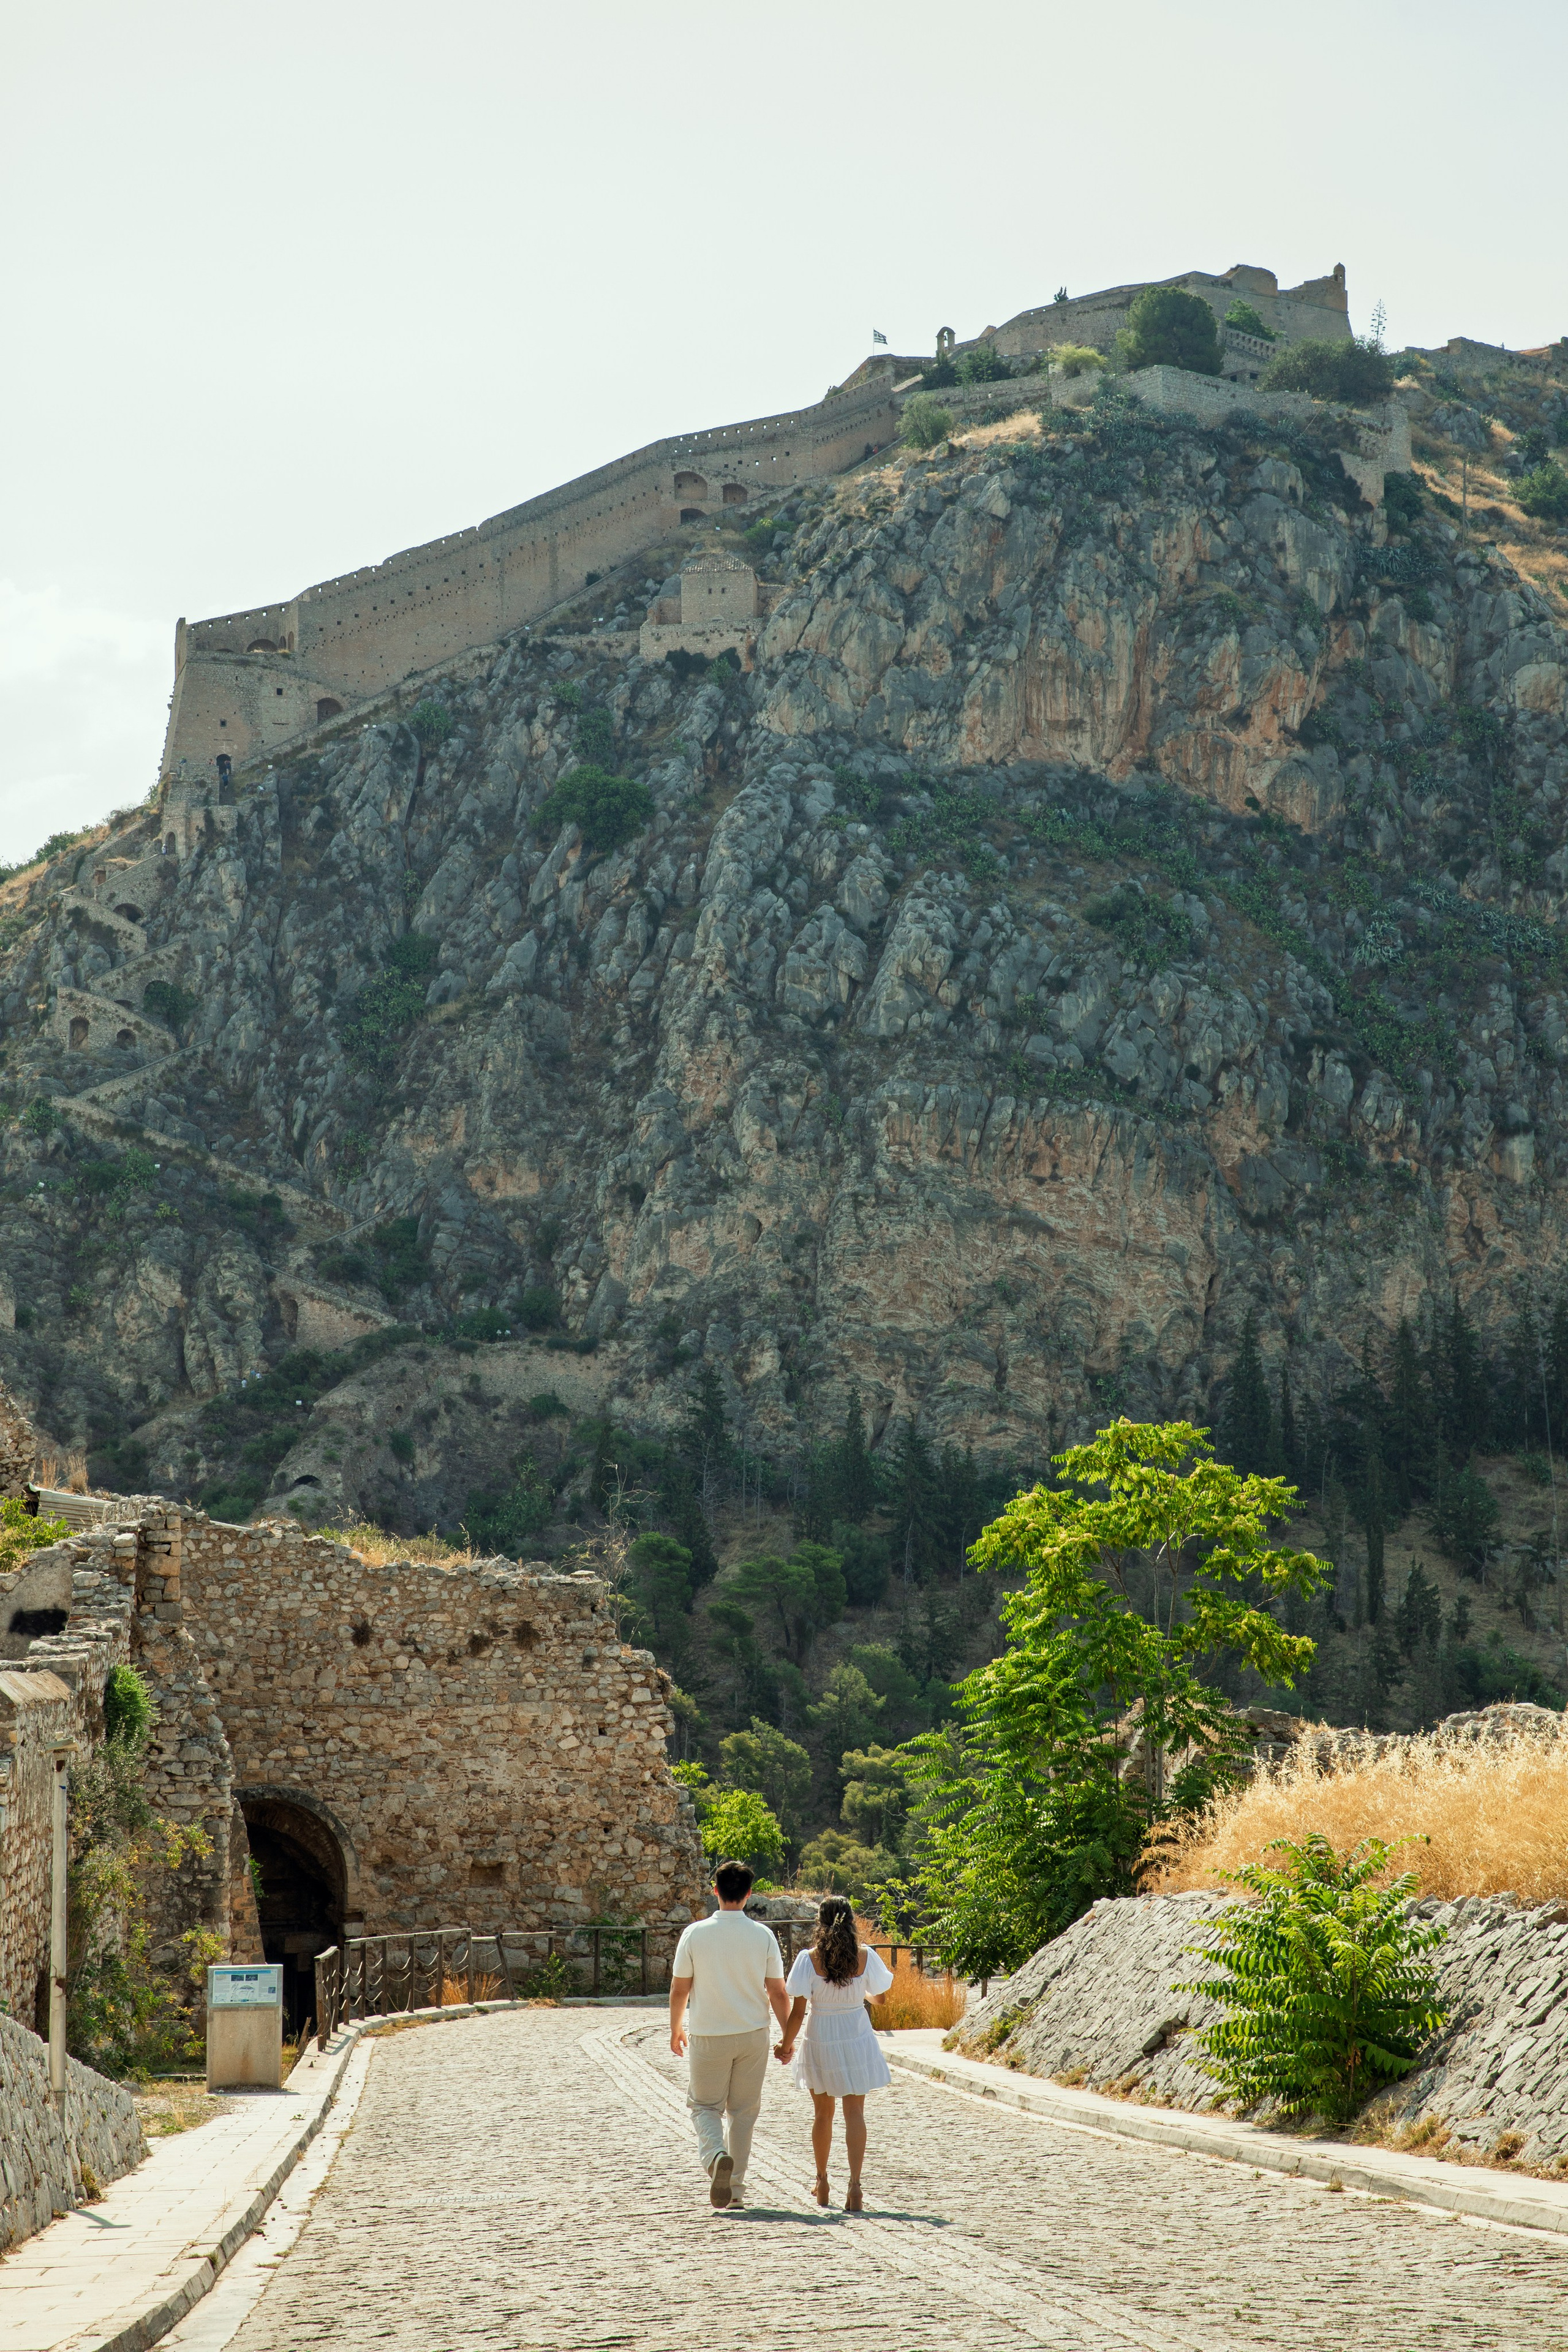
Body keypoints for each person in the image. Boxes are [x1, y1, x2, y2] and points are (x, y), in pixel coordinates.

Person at [668, 1859, 790, 2210]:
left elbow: (680, 1989)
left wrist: (676, 2028)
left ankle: (716, 2157)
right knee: (744, 2112)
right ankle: (735, 2189)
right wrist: (787, 2038)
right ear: (750, 1894)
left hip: (709, 2034)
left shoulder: (694, 1933)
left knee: (704, 2106)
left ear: (715, 1890)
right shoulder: (763, 1936)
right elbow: (778, 1992)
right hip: (753, 2034)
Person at [772, 1895, 893, 2212]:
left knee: (823, 2114)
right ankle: (855, 2188)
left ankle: (823, 2181)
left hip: (821, 2034)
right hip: (856, 2034)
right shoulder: (866, 1956)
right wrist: (859, 1991)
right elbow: (880, 2000)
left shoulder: (808, 1959)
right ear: (851, 1920)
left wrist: (786, 2045)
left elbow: (798, 2012)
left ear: (820, 1922)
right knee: (855, 2113)